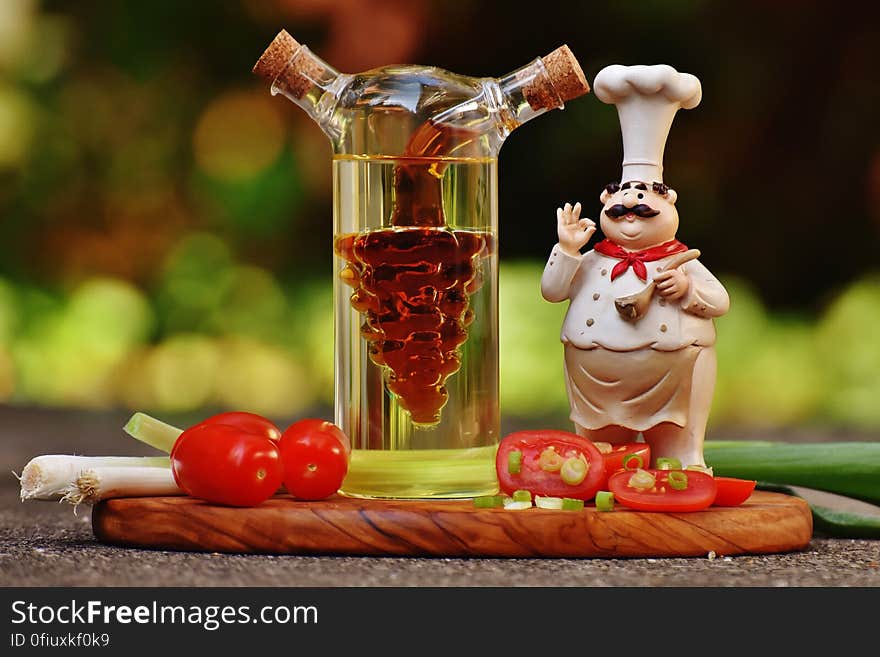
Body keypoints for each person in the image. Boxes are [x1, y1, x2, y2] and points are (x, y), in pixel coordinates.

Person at [540, 64, 730, 467]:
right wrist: (569, 250)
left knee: (676, 452)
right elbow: (554, 291)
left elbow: (720, 301)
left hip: (671, 380)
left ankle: (681, 456)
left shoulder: (681, 261)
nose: (630, 204)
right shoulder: (593, 258)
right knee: (603, 457)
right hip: (597, 388)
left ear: (669, 203)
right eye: (623, 195)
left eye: (643, 198)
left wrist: (688, 291)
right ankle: (602, 463)